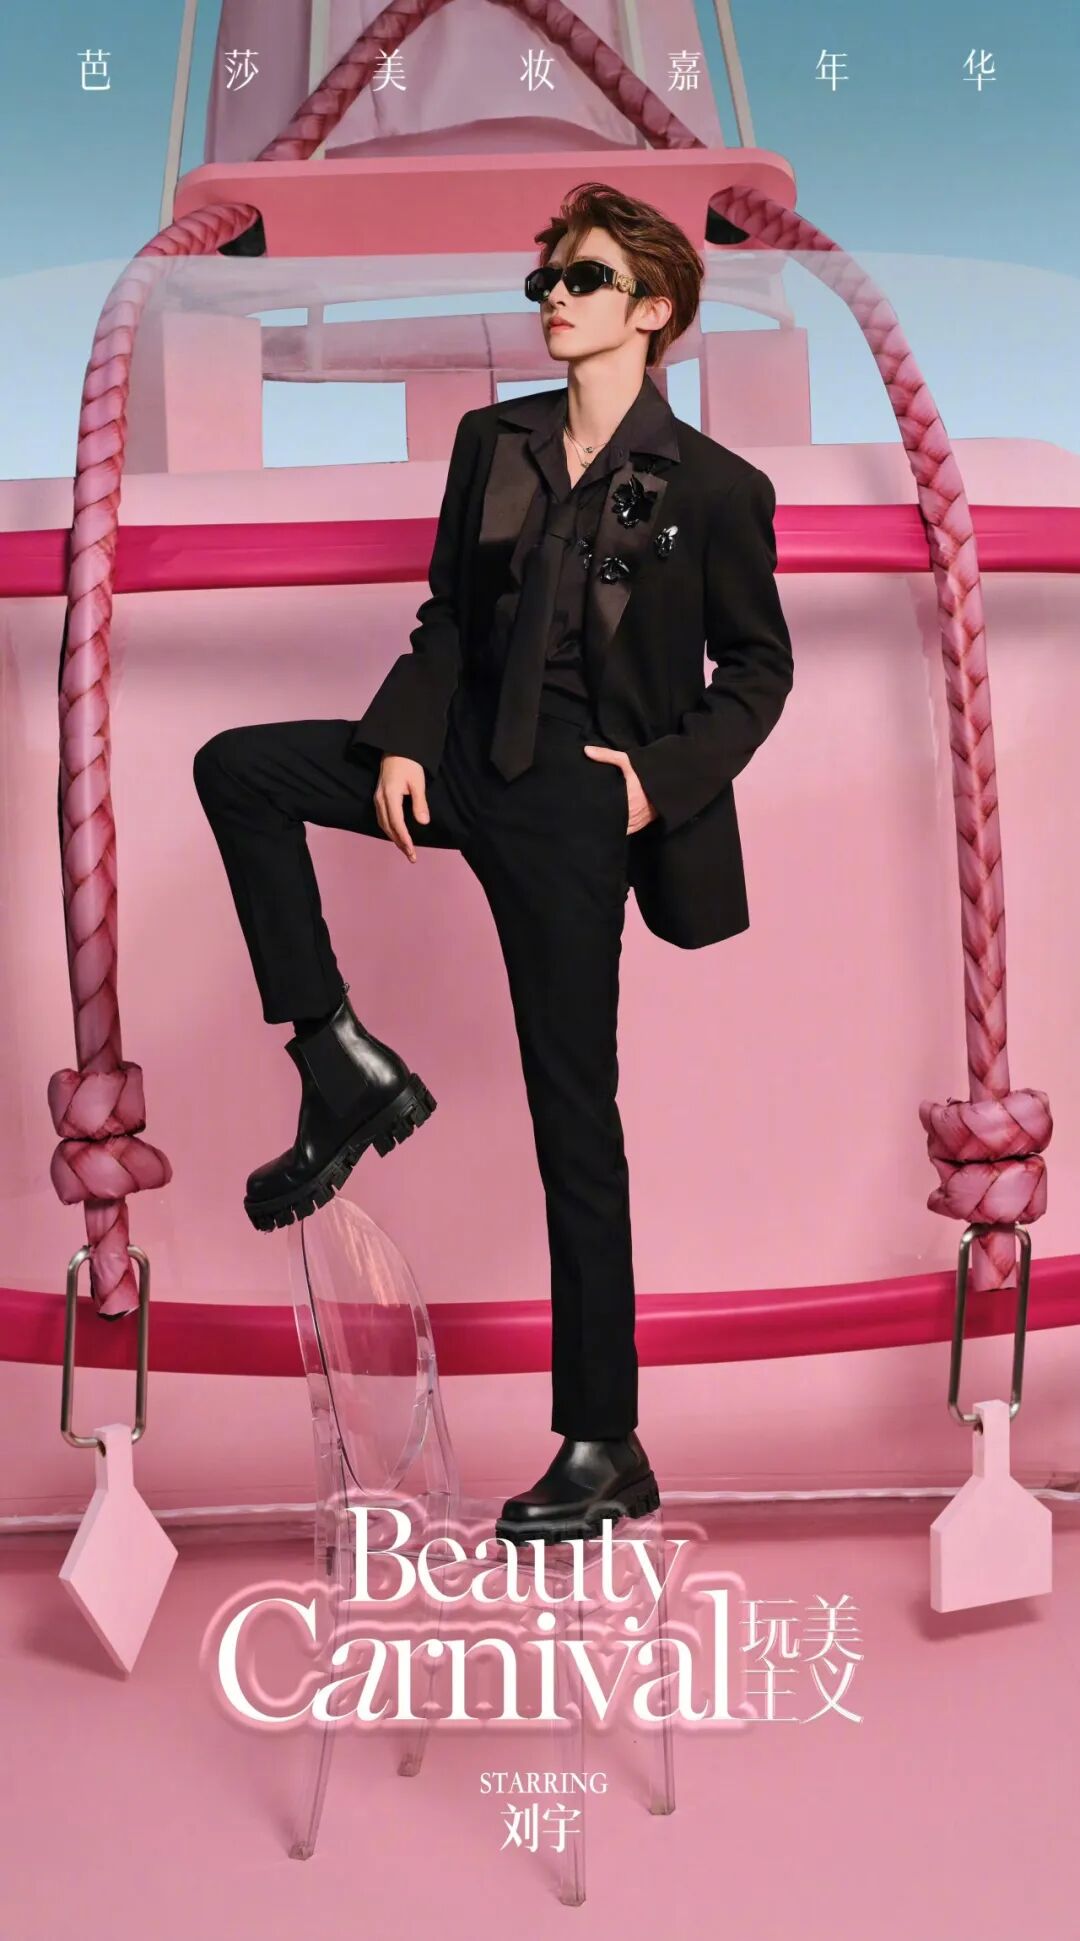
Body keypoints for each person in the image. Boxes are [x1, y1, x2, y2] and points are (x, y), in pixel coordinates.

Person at [192, 181, 793, 1545]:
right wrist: (406, 740)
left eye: (581, 281)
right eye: (546, 283)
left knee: (575, 1121)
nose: (553, 302)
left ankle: (603, 1441)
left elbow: (760, 669)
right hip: (461, 757)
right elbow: (451, 617)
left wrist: (652, 782)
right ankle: (339, 1055)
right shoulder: (494, 440)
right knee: (239, 767)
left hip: (580, 806)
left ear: (652, 308)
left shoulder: (717, 490)